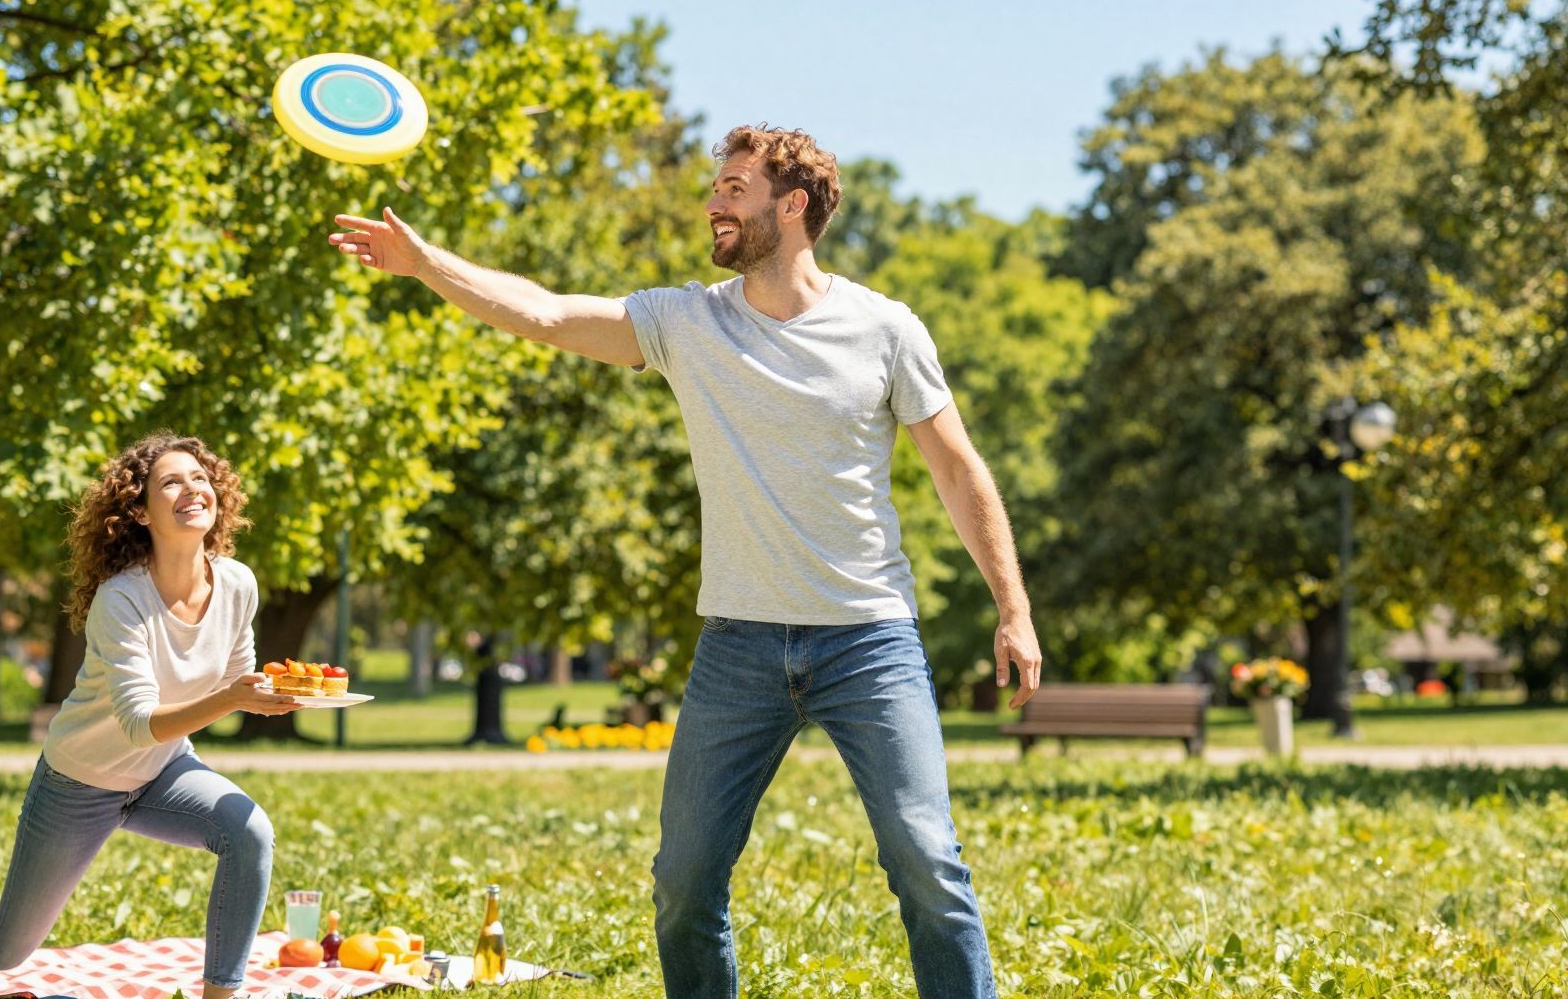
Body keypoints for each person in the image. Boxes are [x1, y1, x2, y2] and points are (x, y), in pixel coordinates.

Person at [329, 125, 1043, 999]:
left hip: (868, 641)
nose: (713, 203)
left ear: (792, 206)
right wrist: (429, 264)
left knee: (928, 863)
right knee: (684, 884)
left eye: (734, 188)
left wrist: (1012, 605)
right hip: (739, 645)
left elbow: (959, 468)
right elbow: (549, 312)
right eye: (717, 187)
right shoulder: (687, 321)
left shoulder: (886, 329)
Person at [0, 433, 297, 999]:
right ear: (139, 510)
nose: (192, 489)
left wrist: (279, 691)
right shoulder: (122, 600)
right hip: (79, 781)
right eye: (171, 482)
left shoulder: (237, 583)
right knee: (9, 945)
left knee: (249, 832)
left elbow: (236, 673)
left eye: (199, 478)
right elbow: (139, 723)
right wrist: (235, 697)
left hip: (162, 771)